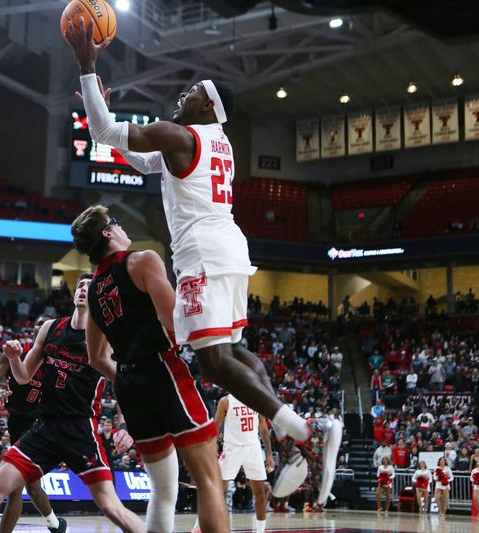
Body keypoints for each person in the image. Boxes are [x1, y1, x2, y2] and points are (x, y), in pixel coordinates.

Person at [65, 18, 341, 506]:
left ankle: (301, 429)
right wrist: (101, 106)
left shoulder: (183, 134)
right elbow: (126, 148)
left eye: (194, 91)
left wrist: (87, 66)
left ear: (209, 106)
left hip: (203, 255)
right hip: (231, 248)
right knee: (231, 352)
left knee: (213, 360)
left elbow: (107, 132)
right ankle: (292, 428)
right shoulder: (212, 144)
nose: (184, 94)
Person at [72, 206, 227, 533]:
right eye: (117, 223)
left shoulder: (94, 289)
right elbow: (174, 323)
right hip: (162, 370)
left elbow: (97, 357)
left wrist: (126, 376)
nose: (123, 228)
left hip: (130, 385)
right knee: (210, 481)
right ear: (108, 233)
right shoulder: (143, 260)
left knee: (163, 490)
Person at [0, 275, 144, 533]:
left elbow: (124, 384)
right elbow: (23, 376)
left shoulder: (106, 338)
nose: (82, 290)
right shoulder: (51, 329)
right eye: (80, 286)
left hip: (80, 429)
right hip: (45, 427)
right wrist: (13, 358)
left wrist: (125, 425)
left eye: (89, 287)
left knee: (111, 507)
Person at [0, 315, 63, 533]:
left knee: (17, 487)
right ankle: (55, 524)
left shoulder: (59, 360)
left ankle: (54, 524)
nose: (41, 326)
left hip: (38, 424)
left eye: (46, 323)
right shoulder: (17, 351)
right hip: (15, 421)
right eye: (37, 323)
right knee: (31, 487)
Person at [214, 395, 274, 533]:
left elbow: (263, 428)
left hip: (253, 448)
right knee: (216, 491)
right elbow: (215, 428)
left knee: (260, 492)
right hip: (232, 448)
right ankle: (198, 526)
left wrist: (270, 454)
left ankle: (260, 531)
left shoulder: (256, 399)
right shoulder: (226, 401)